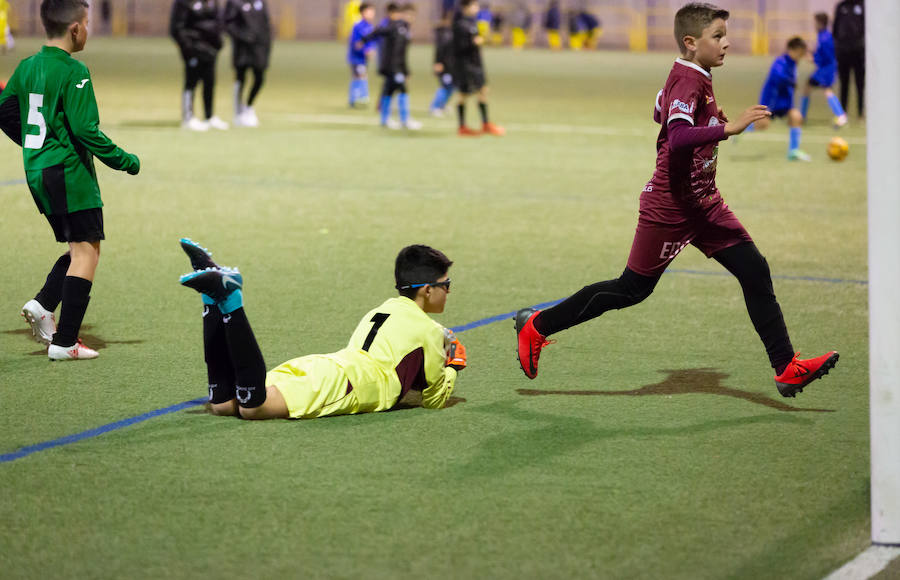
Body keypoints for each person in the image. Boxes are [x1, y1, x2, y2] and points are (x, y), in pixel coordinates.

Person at [514, 3, 838, 398]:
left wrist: (706, 119)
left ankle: (786, 367)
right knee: (631, 289)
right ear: (690, 42)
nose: (726, 43)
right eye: (717, 36)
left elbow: (659, 110)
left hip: (705, 203)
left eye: (725, 35)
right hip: (671, 207)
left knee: (754, 270)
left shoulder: (693, 75)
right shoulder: (687, 79)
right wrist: (726, 128)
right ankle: (537, 327)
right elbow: (678, 133)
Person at [177, 240, 466, 420]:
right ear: (428, 290)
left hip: (325, 366)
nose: (448, 291)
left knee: (225, 405)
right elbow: (435, 398)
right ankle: (229, 300)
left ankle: (211, 298)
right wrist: (453, 365)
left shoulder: (382, 309)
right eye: (446, 285)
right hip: (345, 383)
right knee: (253, 408)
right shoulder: (429, 330)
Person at [0, 0, 140, 360]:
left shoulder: (27, 65)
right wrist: (125, 161)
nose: (88, 29)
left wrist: (35, 144)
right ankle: (65, 342)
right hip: (68, 173)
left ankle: (44, 303)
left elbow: (5, 109)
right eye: (88, 22)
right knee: (87, 252)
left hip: (38, 171)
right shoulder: (74, 70)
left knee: (81, 247)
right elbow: (85, 129)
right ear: (75, 28)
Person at [359, 2, 420, 130]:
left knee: (389, 90)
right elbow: (378, 31)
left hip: (397, 66)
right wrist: (364, 40)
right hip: (392, 66)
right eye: (408, 14)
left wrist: (405, 70)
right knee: (403, 90)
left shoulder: (404, 28)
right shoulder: (394, 26)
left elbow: (402, 52)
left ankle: (384, 120)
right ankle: (404, 120)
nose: (410, 17)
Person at [170, 0, 229, 131]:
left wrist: (218, 42)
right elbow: (176, 28)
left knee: (210, 82)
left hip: (210, 49)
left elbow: (219, 22)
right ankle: (188, 118)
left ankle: (209, 116)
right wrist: (188, 48)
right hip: (194, 49)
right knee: (191, 82)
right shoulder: (184, 3)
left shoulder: (212, 2)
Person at [752, 37, 811, 161]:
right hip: (772, 101)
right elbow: (776, 77)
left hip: (784, 102)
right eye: (801, 52)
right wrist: (791, 82)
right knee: (763, 125)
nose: (802, 55)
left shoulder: (793, 63)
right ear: (793, 50)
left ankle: (793, 151)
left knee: (796, 117)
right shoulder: (781, 61)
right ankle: (740, 130)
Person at [452, 0, 504, 137]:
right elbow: (459, 47)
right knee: (465, 94)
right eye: (474, 6)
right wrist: (474, 42)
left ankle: (484, 124)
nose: (477, 8)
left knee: (482, 91)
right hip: (466, 65)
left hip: (475, 64)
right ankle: (463, 126)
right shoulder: (460, 24)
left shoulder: (471, 22)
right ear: (466, 7)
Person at [224, 0, 272, 127]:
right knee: (240, 79)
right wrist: (242, 35)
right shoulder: (235, 3)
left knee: (259, 78)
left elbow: (266, 24)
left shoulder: (260, 2)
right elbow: (228, 24)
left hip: (259, 48)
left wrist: (266, 45)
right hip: (242, 49)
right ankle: (238, 112)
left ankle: (249, 106)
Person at [800, 13, 846, 127]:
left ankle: (841, 115)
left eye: (815, 22)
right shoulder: (823, 35)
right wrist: (812, 53)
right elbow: (820, 53)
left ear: (820, 23)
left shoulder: (825, 38)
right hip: (824, 69)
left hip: (826, 70)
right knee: (810, 87)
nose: (814, 25)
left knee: (826, 91)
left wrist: (813, 58)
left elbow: (826, 57)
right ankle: (802, 116)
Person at [832, 0, 864, 119]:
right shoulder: (841, 6)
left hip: (858, 52)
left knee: (859, 84)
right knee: (844, 84)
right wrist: (837, 47)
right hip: (843, 52)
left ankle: (860, 113)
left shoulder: (862, 6)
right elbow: (835, 29)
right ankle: (842, 113)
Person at [347, 1, 376, 108]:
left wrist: (372, 50)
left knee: (358, 76)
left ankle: (354, 99)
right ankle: (360, 98)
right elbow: (356, 44)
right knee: (360, 77)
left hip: (363, 59)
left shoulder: (371, 27)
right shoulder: (358, 26)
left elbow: (372, 42)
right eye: (369, 11)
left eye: (373, 11)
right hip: (356, 58)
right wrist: (366, 51)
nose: (372, 13)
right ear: (363, 12)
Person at [429, 14, 455, 116]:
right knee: (445, 86)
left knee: (451, 86)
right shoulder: (444, 34)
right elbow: (439, 50)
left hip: (451, 65)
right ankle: (434, 107)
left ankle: (442, 105)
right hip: (445, 66)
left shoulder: (450, 32)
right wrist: (438, 63)